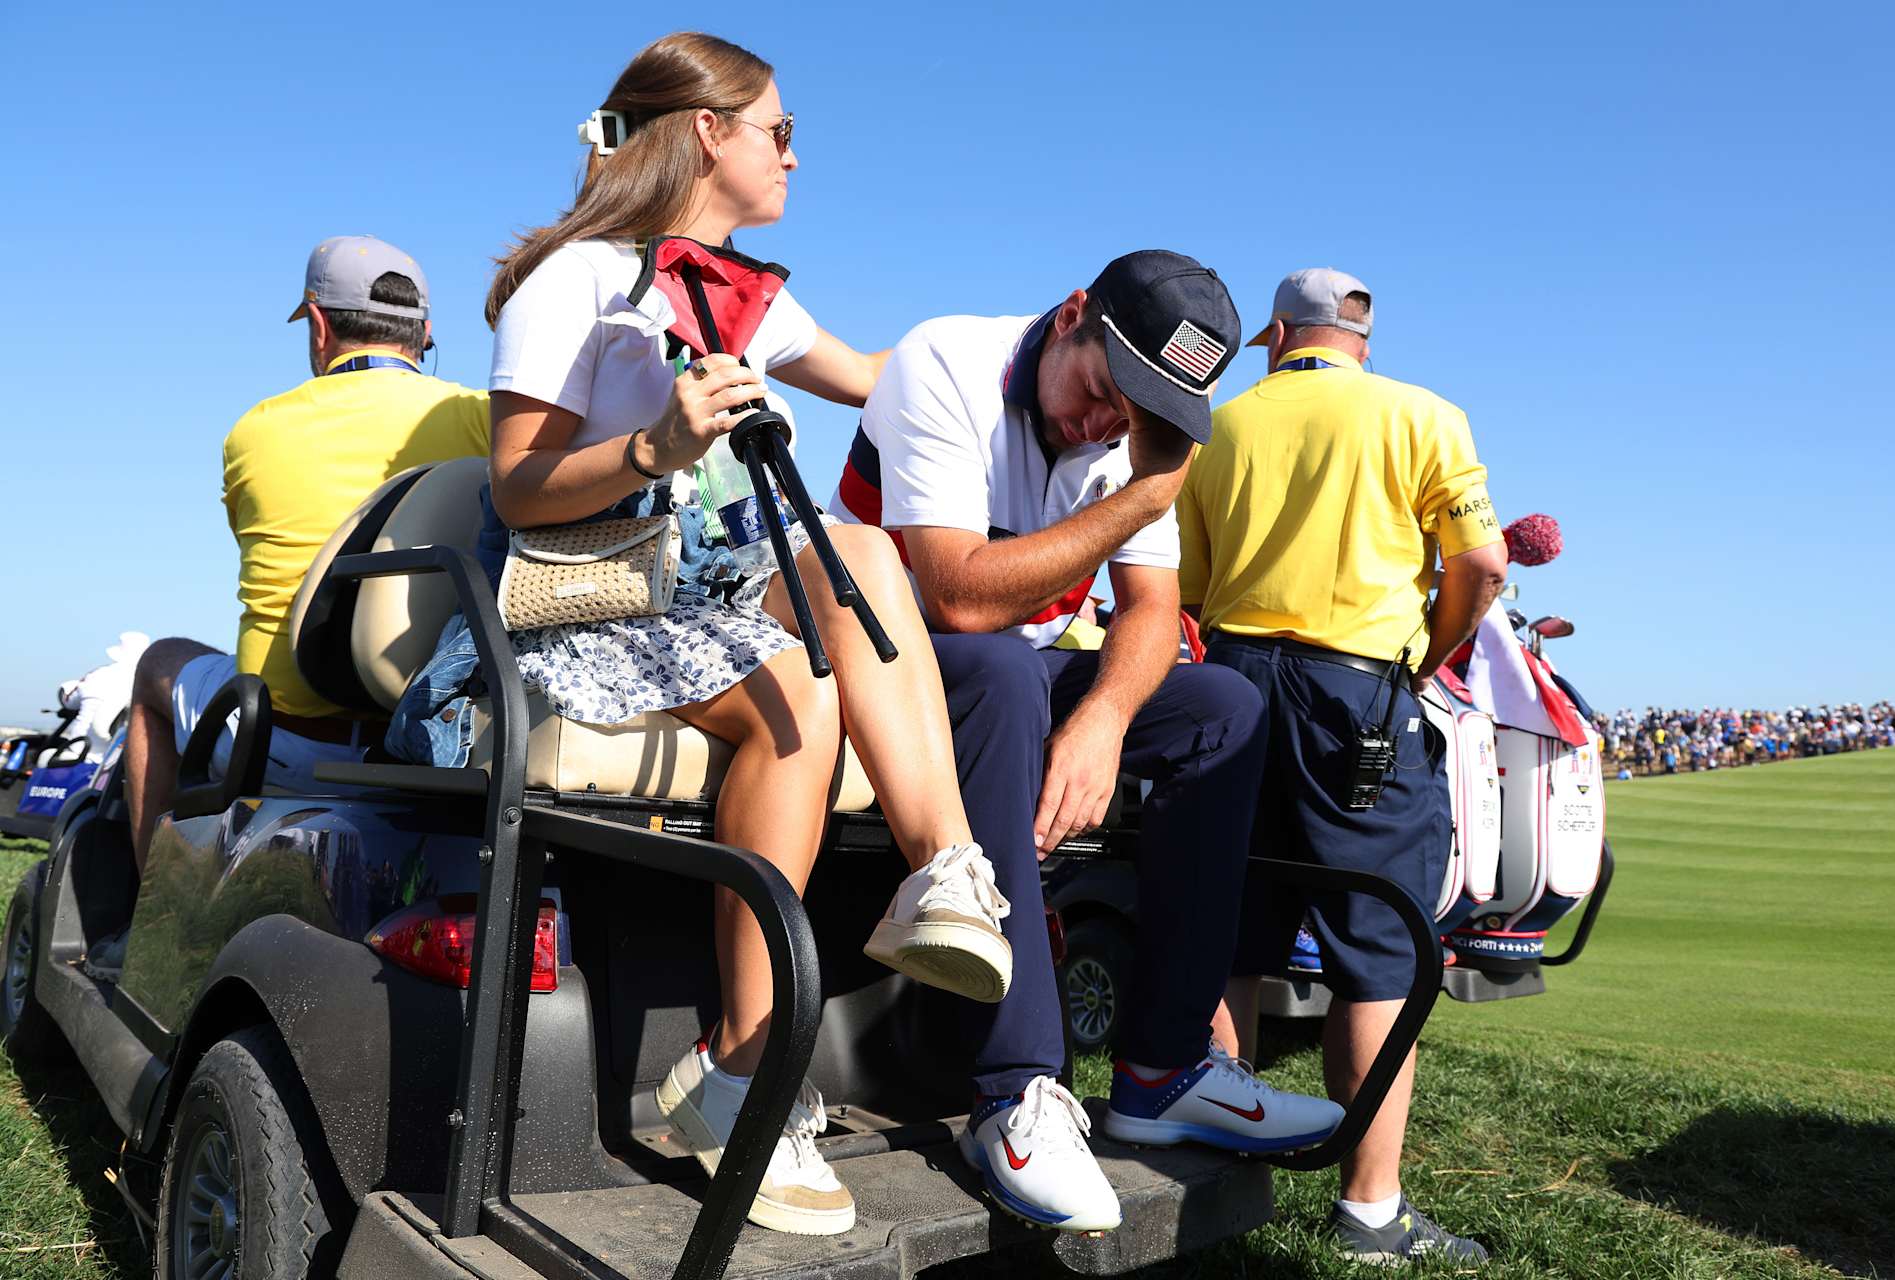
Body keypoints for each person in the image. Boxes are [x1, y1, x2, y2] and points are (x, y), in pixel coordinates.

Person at [450, 32, 1012, 1238]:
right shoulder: (579, 280)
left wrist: (1034, 365)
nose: (796, 156)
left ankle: (946, 876)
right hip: (590, 595)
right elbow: (515, 489)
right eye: (781, 131)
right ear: (710, 131)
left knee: (860, 551)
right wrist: (658, 444)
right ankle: (743, 1069)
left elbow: (880, 379)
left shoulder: (751, 291)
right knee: (796, 691)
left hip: (701, 595)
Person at [830, 250, 1345, 1232]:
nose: (1109, 425)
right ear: (1072, 315)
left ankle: (1161, 1067)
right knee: (1005, 670)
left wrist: (1104, 720)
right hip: (874, 659)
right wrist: (1138, 501)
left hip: (1002, 673)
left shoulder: (1132, 435)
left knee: (1222, 707)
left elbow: (1151, 613)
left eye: (1138, 414)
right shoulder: (946, 358)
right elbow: (955, 594)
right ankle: (1013, 1090)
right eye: (1107, 390)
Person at [1178, 268, 1507, 1265]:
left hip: (1233, 675)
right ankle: (1370, 1213)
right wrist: (1429, 656)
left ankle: (1209, 1189)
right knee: (1383, 945)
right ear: (1363, 335)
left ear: (1278, 332)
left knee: (1230, 931)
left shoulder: (1219, 424)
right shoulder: (1423, 413)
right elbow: (1483, 563)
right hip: (1358, 689)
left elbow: (1189, 588)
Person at [100, 236, 493, 980]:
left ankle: (144, 916)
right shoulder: (482, 419)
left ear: (319, 325)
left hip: (285, 744)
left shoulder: (256, 429)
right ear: (427, 335)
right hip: (429, 746)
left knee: (156, 667)